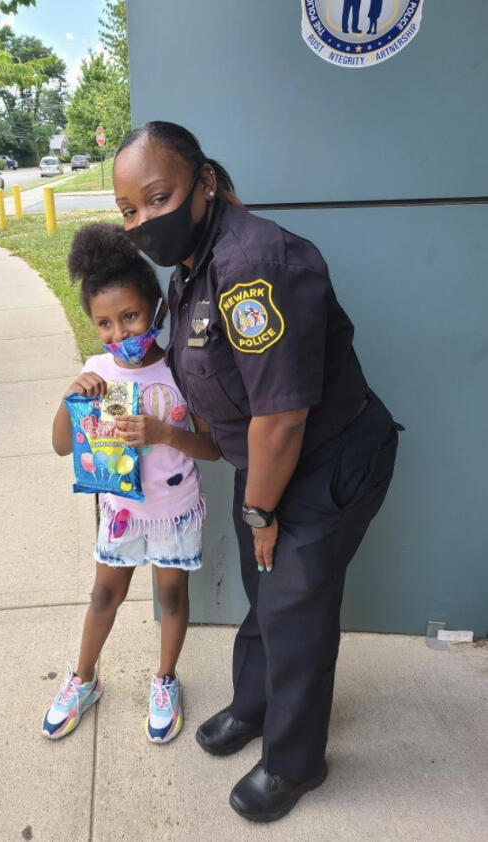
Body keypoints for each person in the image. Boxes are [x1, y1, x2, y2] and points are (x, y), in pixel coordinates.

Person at [113, 121, 401, 821]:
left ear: (204, 182)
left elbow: (283, 418)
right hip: (266, 467)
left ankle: (295, 763)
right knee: (263, 589)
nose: (145, 220)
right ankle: (255, 703)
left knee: (297, 607)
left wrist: (261, 511)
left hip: (323, 461)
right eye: (130, 211)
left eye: (158, 196)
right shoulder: (188, 270)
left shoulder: (252, 264)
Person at [42, 222, 219, 745]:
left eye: (129, 317)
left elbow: (214, 447)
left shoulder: (184, 371)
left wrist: (166, 432)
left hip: (175, 508)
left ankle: (165, 679)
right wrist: (72, 395)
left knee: (170, 594)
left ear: (157, 311)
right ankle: (83, 679)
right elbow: (60, 444)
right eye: (104, 324)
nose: (119, 334)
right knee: (105, 594)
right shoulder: (99, 371)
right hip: (121, 510)